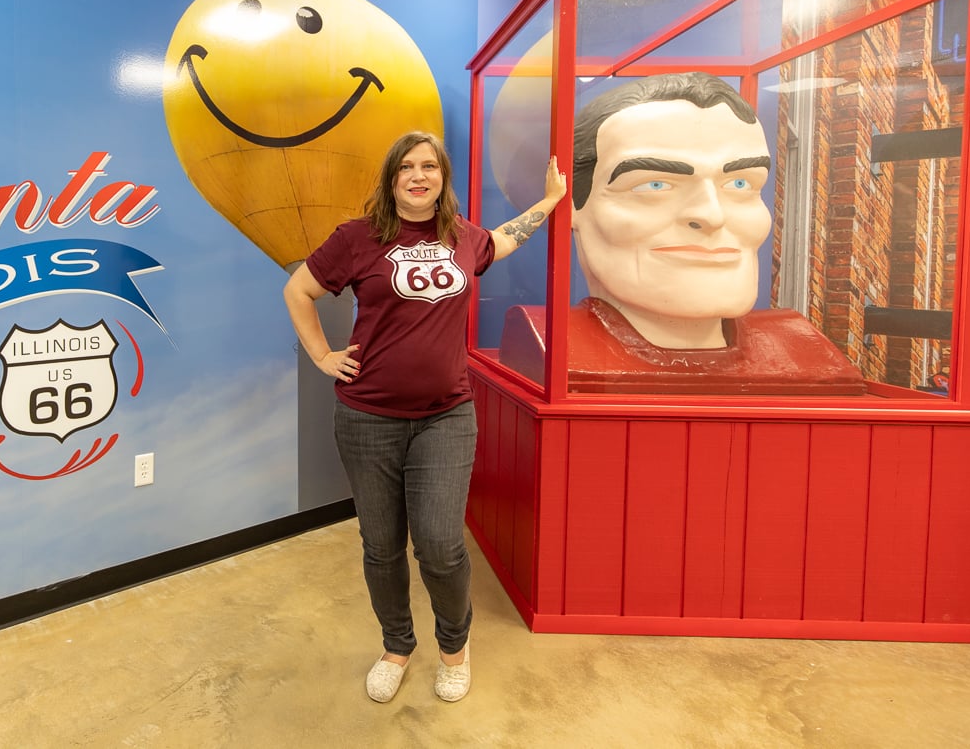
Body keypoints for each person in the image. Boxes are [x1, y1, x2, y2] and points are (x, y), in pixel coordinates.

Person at [283, 131, 566, 703]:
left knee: (440, 545)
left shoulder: (464, 239)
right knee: (381, 546)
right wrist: (321, 356)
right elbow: (299, 290)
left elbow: (506, 239)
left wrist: (550, 203)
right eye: (407, 167)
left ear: (442, 177)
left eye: (429, 166)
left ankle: (454, 650)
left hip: (446, 418)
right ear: (391, 180)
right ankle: (396, 646)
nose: (419, 175)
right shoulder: (357, 238)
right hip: (367, 419)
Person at [499, 71, 864, 393]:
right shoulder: (551, 346)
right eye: (654, 185)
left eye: (739, 183)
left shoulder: (801, 351)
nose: (711, 214)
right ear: (574, 206)